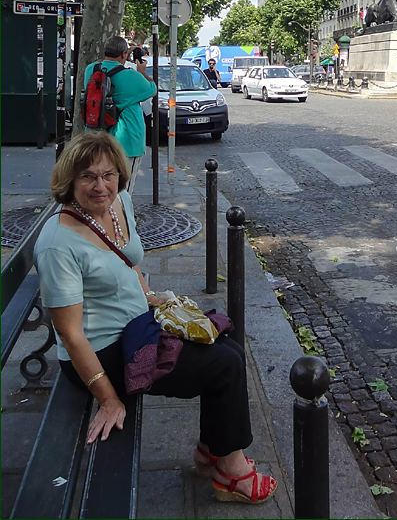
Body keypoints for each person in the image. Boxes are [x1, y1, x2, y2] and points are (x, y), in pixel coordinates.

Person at [34, 132, 277, 505]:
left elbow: (128, 259)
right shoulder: (58, 244)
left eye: (108, 174)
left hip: (137, 326)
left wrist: (147, 295)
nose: (101, 186)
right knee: (224, 365)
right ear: (69, 181)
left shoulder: (120, 203)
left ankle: (213, 452)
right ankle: (231, 471)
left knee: (225, 344)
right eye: (88, 177)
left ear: (120, 174)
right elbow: (70, 335)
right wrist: (109, 399)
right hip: (102, 354)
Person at [84, 37, 156, 193]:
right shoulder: (131, 76)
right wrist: (142, 72)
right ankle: (121, 217)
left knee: (101, 189)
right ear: (124, 54)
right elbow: (152, 88)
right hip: (127, 142)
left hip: (95, 138)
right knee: (123, 192)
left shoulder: (91, 70)